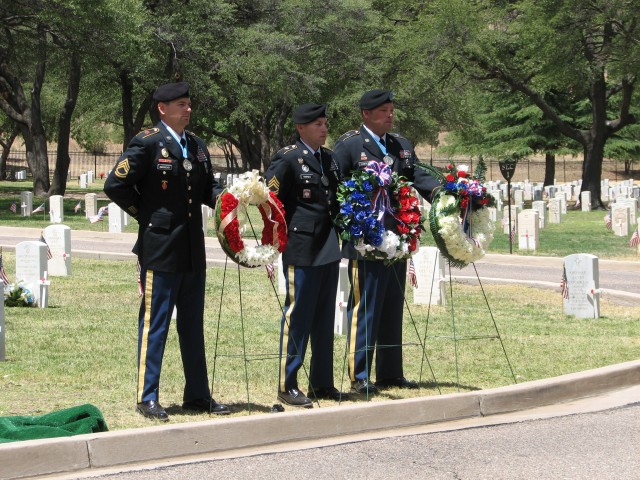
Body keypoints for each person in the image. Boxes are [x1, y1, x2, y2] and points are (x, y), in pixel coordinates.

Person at [104, 81, 230, 421]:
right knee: (155, 324)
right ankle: (148, 397)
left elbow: (207, 188)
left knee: (192, 324)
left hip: (192, 249)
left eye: (189, 104)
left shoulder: (197, 146)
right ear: (163, 109)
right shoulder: (147, 143)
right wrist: (145, 215)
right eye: (181, 104)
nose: (188, 109)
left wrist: (230, 198)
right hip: (160, 247)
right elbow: (114, 185)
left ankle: (198, 395)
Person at [332, 89, 441, 396]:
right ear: (366, 114)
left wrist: (441, 192)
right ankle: (360, 375)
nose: (389, 116)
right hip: (366, 241)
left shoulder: (400, 145)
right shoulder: (350, 145)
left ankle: (392, 372)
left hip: (397, 239)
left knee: (393, 308)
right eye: (382, 111)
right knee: (366, 309)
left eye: (392, 110)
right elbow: (338, 187)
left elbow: (416, 176)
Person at [265, 103, 347, 408]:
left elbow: (336, 199)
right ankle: (288, 383)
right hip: (302, 247)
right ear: (301, 128)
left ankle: (322, 381)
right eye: (318, 125)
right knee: (298, 316)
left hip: (328, 244)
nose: (324, 129)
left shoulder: (330, 158)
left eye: (325, 124)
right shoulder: (287, 158)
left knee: (324, 318)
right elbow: (271, 201)